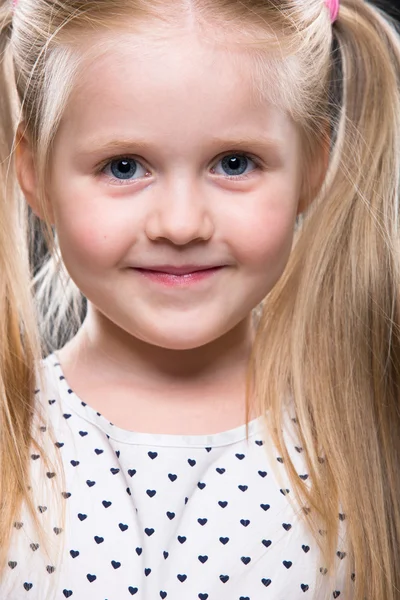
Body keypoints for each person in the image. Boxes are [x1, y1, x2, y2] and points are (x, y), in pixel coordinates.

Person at [0, 0, 399, 597]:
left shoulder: (366, 435)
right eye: (124, 166)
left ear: (313, 167)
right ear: (34, 173)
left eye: (234, 163)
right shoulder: (13, 436)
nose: (182, 225)